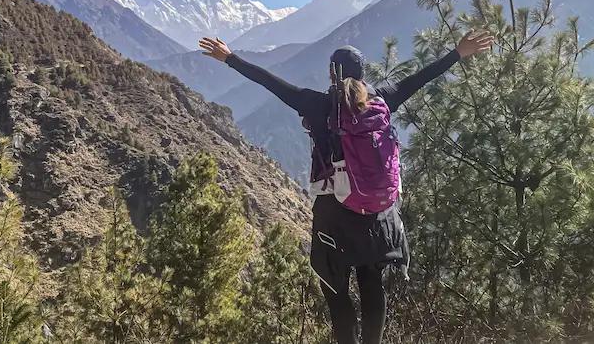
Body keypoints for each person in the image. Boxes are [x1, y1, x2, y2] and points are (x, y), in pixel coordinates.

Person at [199, 31, 493, 344]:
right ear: (363, 74)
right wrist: (457, 53)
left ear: (331, 73)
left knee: (337, 290)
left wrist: (229, 57)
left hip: (334, 213)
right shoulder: (383, 98)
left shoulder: (316, 104)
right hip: (379, 212)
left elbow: (268, 81)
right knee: (371, 282)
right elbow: (419, 78)